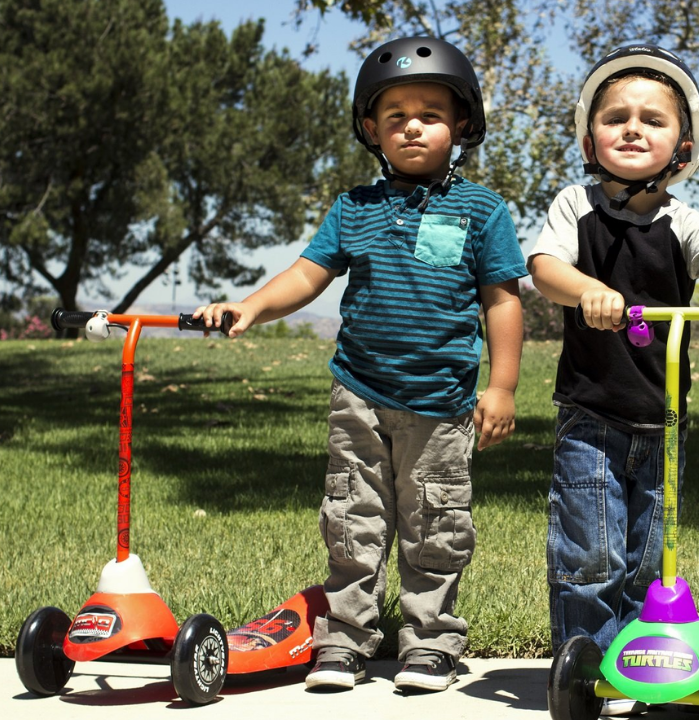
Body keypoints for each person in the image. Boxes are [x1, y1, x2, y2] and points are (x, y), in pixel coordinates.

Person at [193, 36, 526, 693]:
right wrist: (252, 306)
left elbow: (502, 300)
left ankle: (430, 644)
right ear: (371, 130)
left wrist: (504, 385)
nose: (412, 126)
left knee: (435, 524)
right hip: (359, 394)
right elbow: (307, 274)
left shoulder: (481, 210)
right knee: (352, 521)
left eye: (430, 113)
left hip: (439, 400)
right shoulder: (355, 208)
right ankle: (343, 642)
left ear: (461, 126)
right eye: (396, 115)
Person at [527, 44, 699, 716]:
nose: (633, 128)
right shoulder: (574, 206)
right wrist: (588, 290)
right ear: (590, 138)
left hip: (664, 418)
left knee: (650, 561)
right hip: (592, 416)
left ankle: (645, 669)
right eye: (617, 117)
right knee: (591, 554)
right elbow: (544, 267)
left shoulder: (683, 220)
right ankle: (585, 668)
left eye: (652, 119)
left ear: (683, 145)